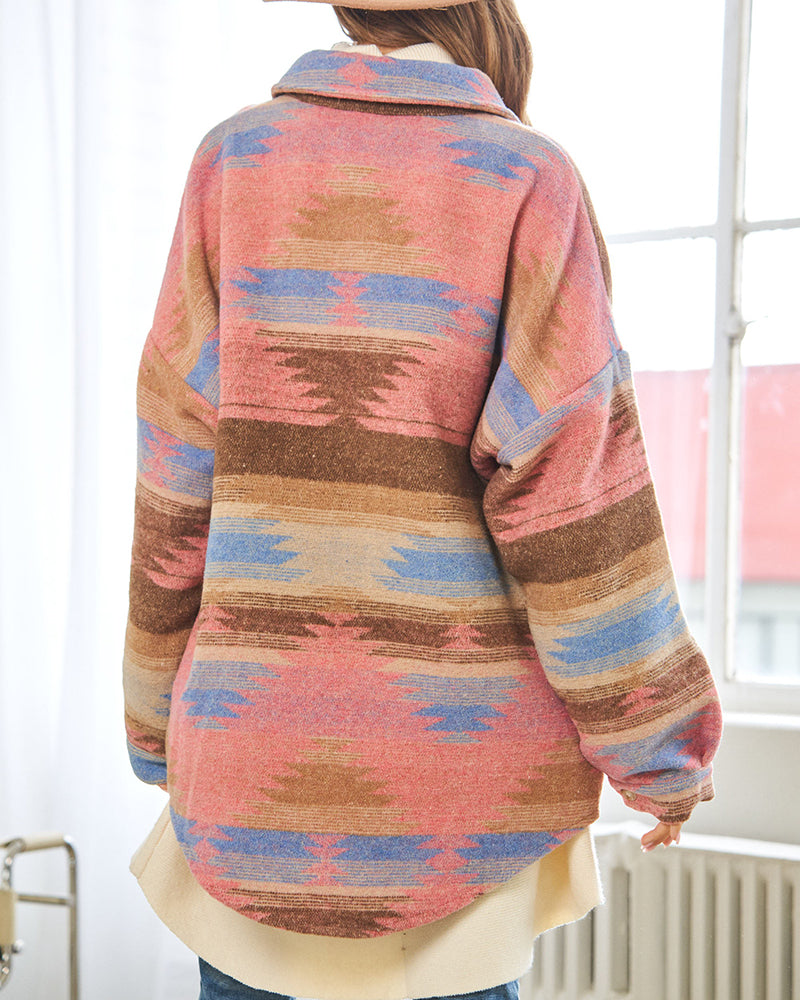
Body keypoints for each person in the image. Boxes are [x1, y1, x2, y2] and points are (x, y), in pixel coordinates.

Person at [122, 0, 723, 997]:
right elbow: (572, 503)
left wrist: (153, 723)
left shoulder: (233, 162)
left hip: (245, 782)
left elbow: (173, 478)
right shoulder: (523, 177)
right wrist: (659, 752)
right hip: (455, 797)